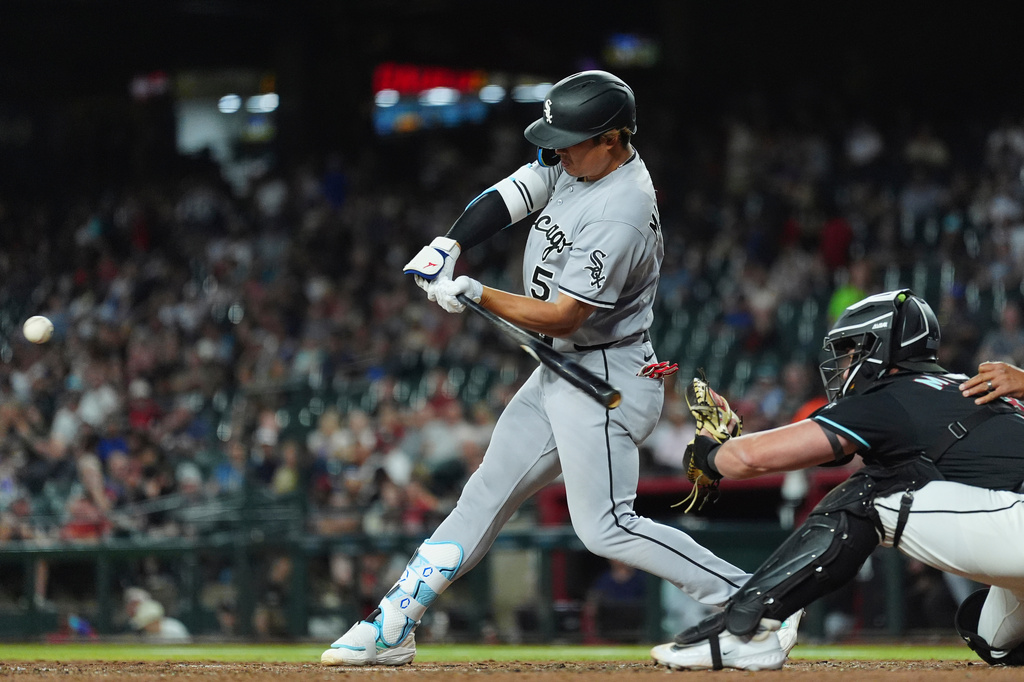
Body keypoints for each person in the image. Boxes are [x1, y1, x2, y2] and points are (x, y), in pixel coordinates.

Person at [321, 70, 799, 665]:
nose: (557, 147)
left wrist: (478, 293)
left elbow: (566, 316)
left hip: (603, 377)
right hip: (562, 372)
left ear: (613, 138)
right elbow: (511, 195)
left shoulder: (622, 206)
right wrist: (452, 242)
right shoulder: (579, 160)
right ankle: (396, 621)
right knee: (483, 495)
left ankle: (755, 600)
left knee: (604, 528)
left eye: (572, 137)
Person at [651, 289, 1024, 670]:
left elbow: (750, 459)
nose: (844, 364)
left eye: (852, 349)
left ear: (879, 347)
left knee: (870, 496)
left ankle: (747, 631)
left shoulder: (890, 397)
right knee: (990, 635)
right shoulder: (978, 389)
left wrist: (711, 453)